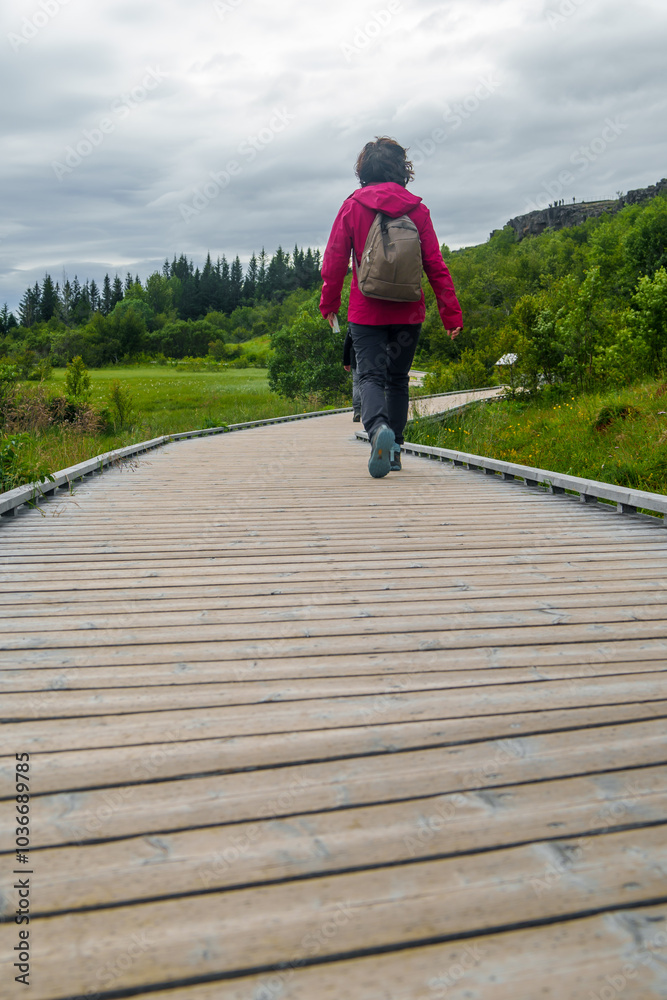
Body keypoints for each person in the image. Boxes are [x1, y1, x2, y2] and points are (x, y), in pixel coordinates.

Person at [320, 136, 463, 478]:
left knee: (370, 375)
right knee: (398, 380)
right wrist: (451, 313)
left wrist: (330, 303)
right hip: (408, 310)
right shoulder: (418, 209)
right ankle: (395, 448)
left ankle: (378, 429)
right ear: (403, 170)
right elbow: (435, 265)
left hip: (366, 311)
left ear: (363, 169)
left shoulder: (352, 206)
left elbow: (335, 261)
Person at [343, 327, 361, 421]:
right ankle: (370, 410)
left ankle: (357, 410)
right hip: (370, 360)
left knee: (356, 384)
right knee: (371, 382)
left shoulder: (353, 326)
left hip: (355, 359)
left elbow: (347, 344)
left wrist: (346, 362)